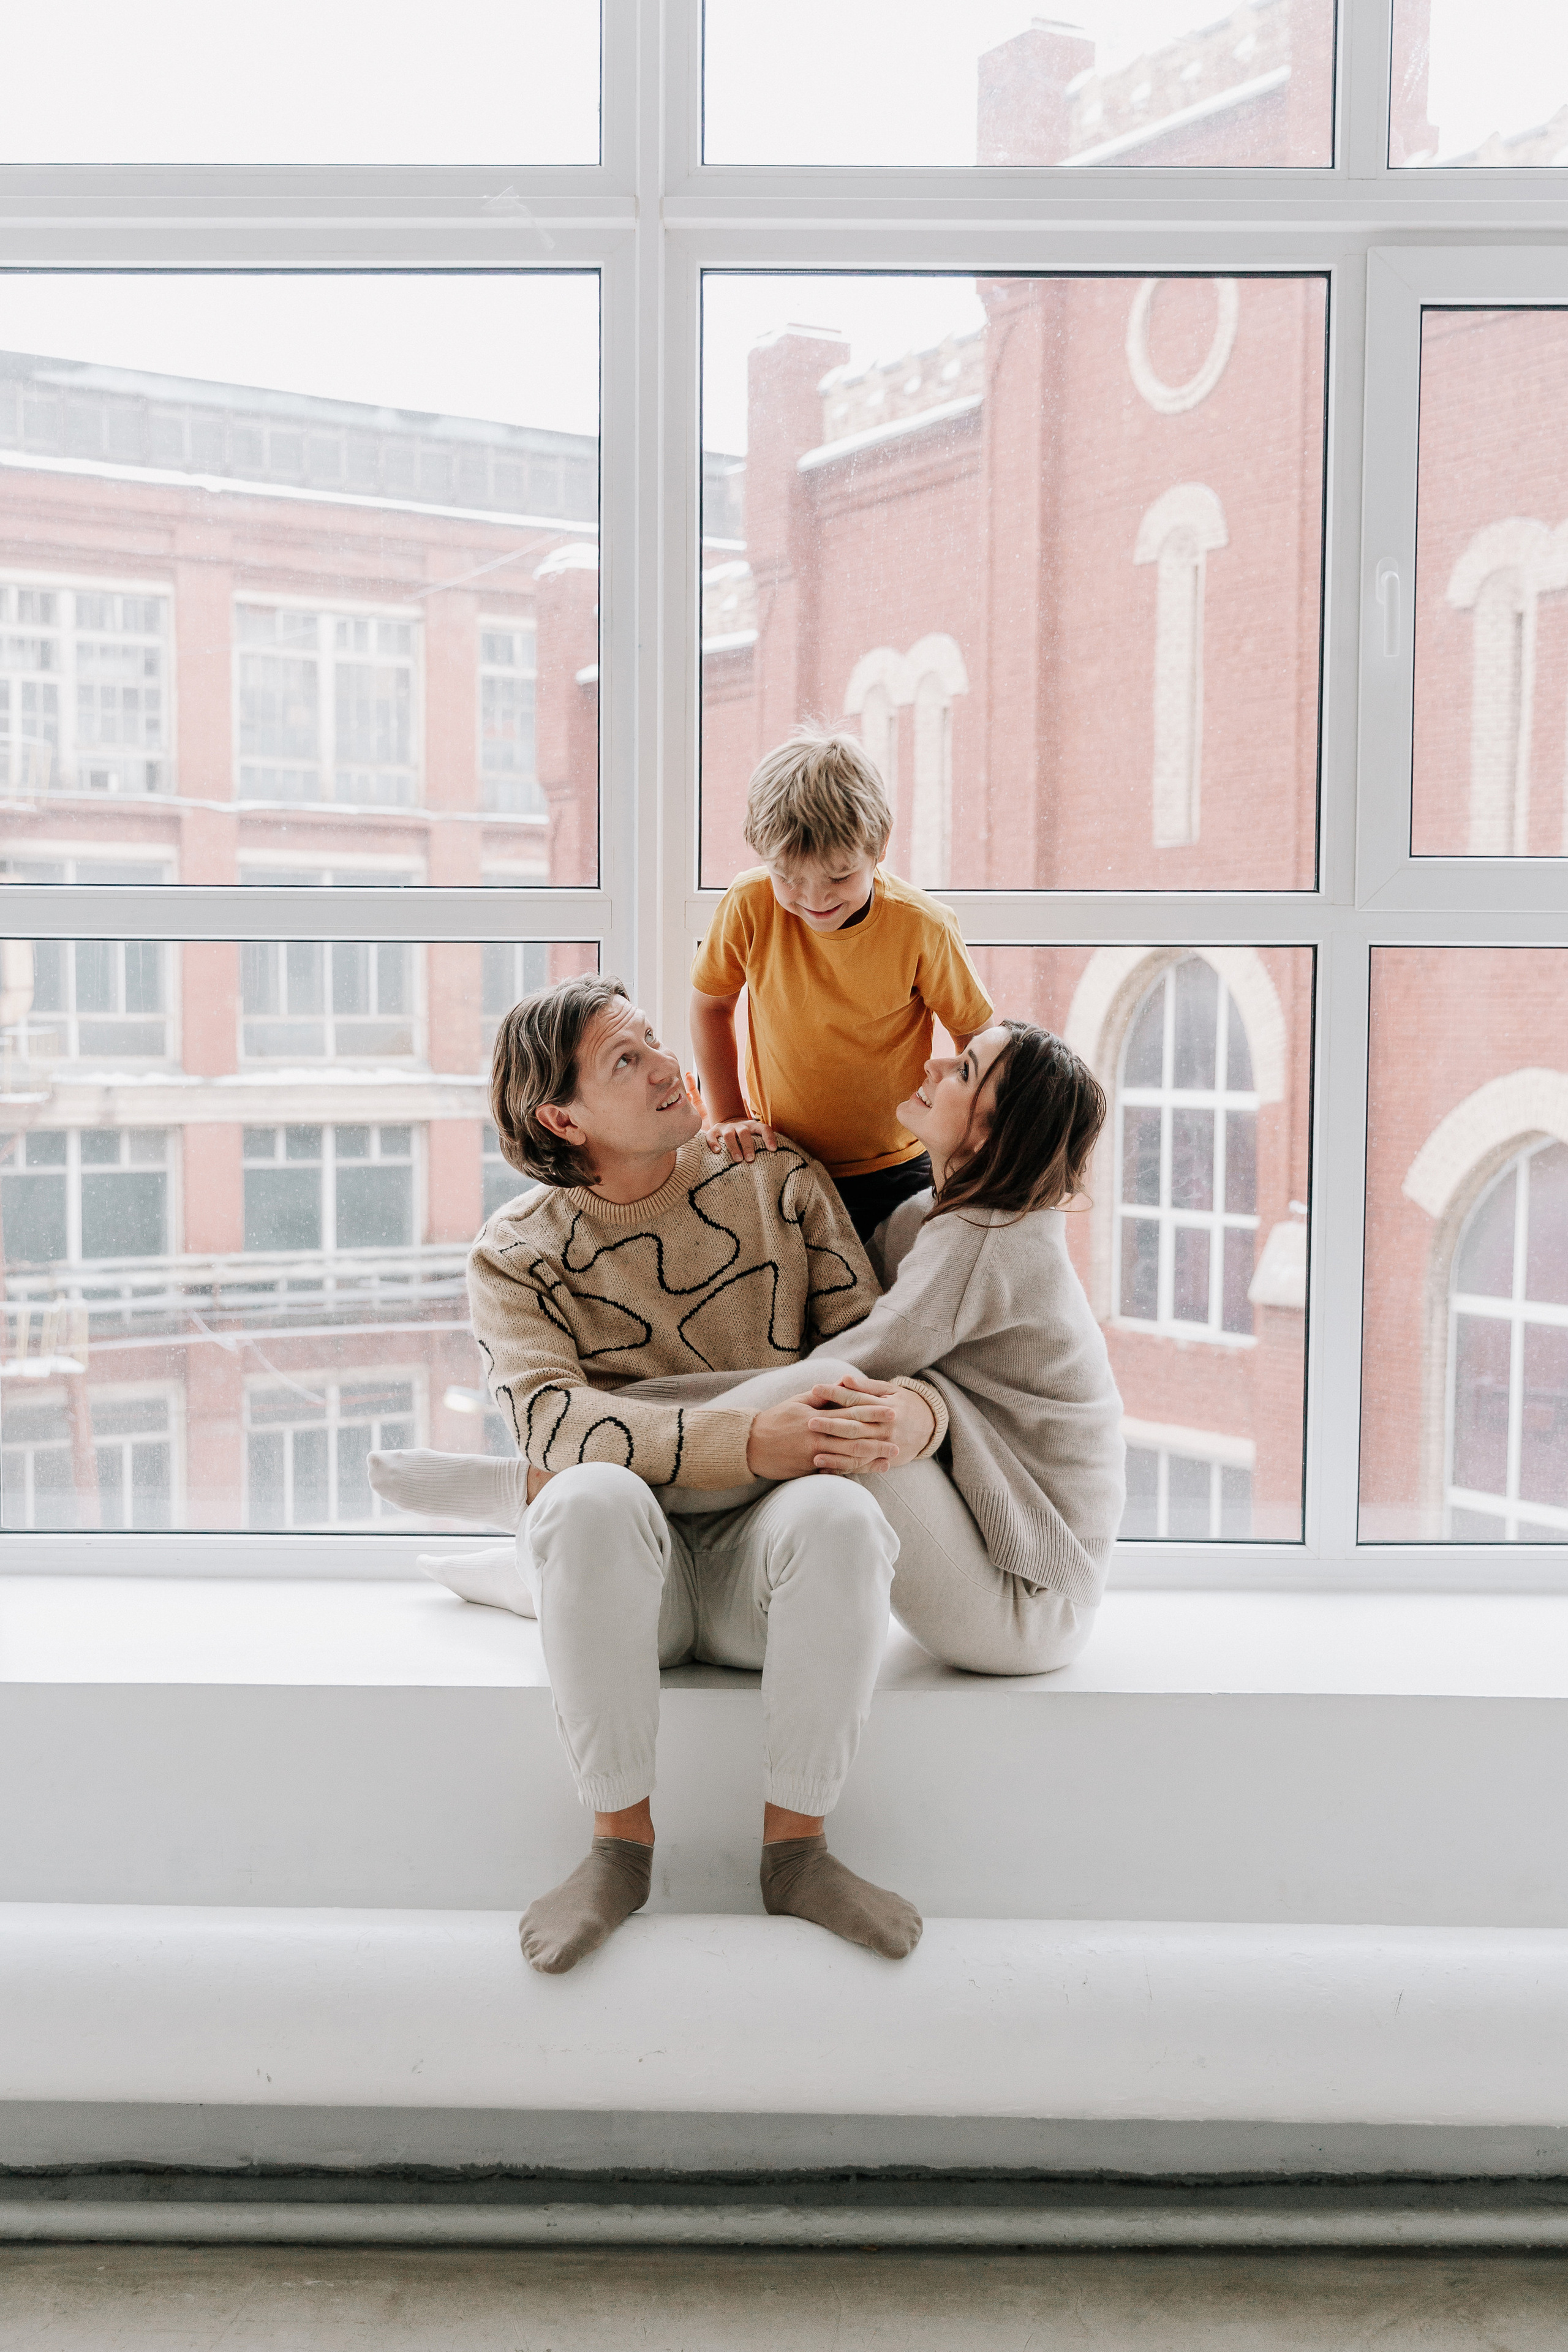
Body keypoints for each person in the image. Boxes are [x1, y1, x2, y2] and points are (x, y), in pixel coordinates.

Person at [368, 973, 944, 1977]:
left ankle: (797, 1854)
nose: (667, 1068)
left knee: (841, 1519)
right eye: (623, 1063)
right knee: (585, 1495)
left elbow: (867, 1356)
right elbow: (552, 1418)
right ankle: (618, 1851)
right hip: (638, 1581)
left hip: (764, 1575)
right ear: (563, 1116)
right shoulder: (518, 1254)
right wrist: (744, 1440)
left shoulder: (776, 1180)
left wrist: (907, 1415)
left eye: (653, 1044)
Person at [688, 728, 996, 1244]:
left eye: (838, 877)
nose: (813, 898)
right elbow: (710, 1006)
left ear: (878, 848)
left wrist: (968, 1141)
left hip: (899, 1169)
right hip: (777, 1160)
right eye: (788, 878)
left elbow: (982, 1041)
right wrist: (730, 1116)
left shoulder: (922, 926)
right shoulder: (749, 904)